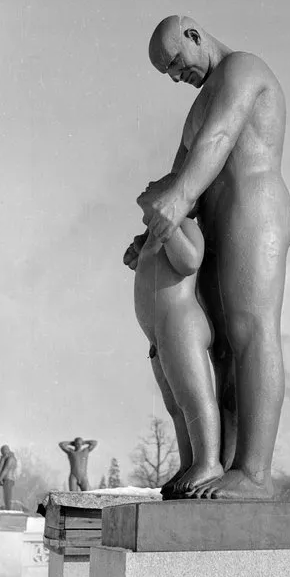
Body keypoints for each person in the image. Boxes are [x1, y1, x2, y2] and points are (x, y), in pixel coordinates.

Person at [125, 15, 290, 500]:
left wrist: (176, 200)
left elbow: (219, 140)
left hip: (254, 207)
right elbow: (181, 182)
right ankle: (218, 464)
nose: (178, 76)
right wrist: (153, 236)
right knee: (220, 348)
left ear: (195, 35)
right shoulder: (195, 107)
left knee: (251, 331)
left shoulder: (242, 69)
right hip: (217, 222)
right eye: (169, 74)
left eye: (177, 63)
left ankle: (255, 472)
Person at [130, 180, 223, 497]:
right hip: (160, 333)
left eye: (156, 184)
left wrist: (169, 231)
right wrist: (140, 251)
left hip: (181, 325)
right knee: (174, 404)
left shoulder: (184, 224)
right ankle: (190, 462)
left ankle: (208, 461)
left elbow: (190, 261)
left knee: (193, 396)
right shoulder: (154, 235)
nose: (148, 184)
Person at [0, 445, 17, 510]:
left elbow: (6, 469)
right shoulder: (8, 458)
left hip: (8, 479)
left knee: (7, 498)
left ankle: (9, 513)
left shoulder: (11, 459)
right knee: (6, 498)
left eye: (3, 451)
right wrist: (2, 459)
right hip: (8, 480)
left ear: (6, 450)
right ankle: (8, 511)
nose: (2, 453)